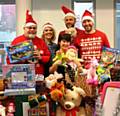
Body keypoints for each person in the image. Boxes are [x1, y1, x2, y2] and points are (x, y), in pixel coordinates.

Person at [6, 10, 51, 75]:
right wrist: (20, 58)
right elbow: (9, 60)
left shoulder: (41, 41)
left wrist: (40, 57)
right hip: (21, 75)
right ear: (24, 29)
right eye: (29, 28)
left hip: (38, 75)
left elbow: (47, 56)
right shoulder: (16, 41)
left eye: (34, 28)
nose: (32, 30)